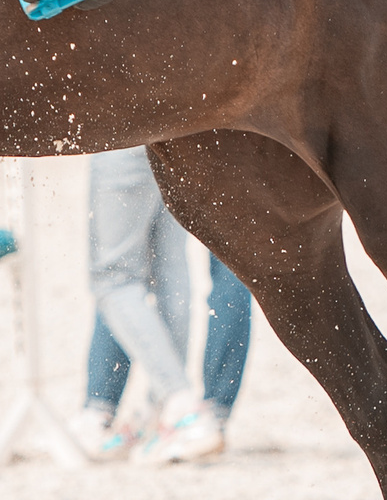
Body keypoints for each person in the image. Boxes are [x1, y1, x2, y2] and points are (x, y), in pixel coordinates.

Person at [72, 148, 252, 464]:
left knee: (113, 279)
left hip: (126, 132)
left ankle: (179, 405)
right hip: (177, 134)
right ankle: (163, 415)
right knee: (169, 273)